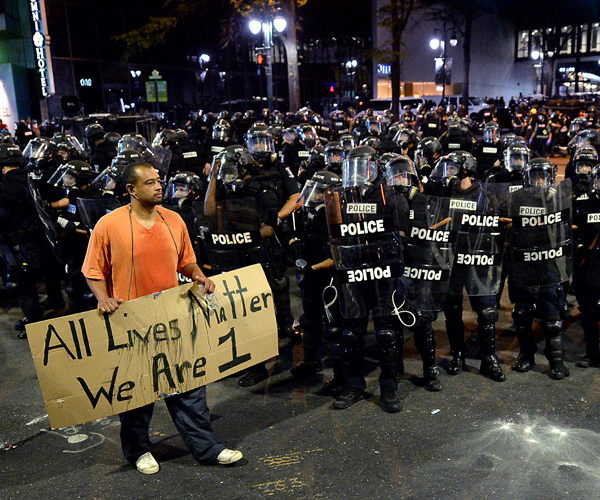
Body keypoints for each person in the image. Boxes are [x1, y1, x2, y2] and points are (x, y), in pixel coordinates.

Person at [81, 161, 242, 474]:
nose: (159, 186)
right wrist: (104, 299)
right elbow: (93, 270)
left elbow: (187, 262)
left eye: (159, 180)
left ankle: (207, 449)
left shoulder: (174, 220)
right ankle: (138, 451)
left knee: (189, 387)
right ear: (131, 189)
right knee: (137, 396)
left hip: (172, 320)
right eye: (151, 182)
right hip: (132, 323)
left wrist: (199, 277)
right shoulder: (109, 225)